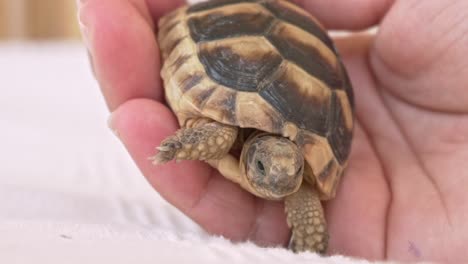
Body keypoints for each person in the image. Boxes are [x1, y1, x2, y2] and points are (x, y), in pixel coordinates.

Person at [76, 0, 468, 261]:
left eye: (293, 171)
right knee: (223, 134)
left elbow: (301, 198)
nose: (281, 180)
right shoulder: (225, 132)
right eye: (269, 171)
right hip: (225, 47)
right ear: (253, 160)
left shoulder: (296, 183)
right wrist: (186, 143)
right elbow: (222, 131)